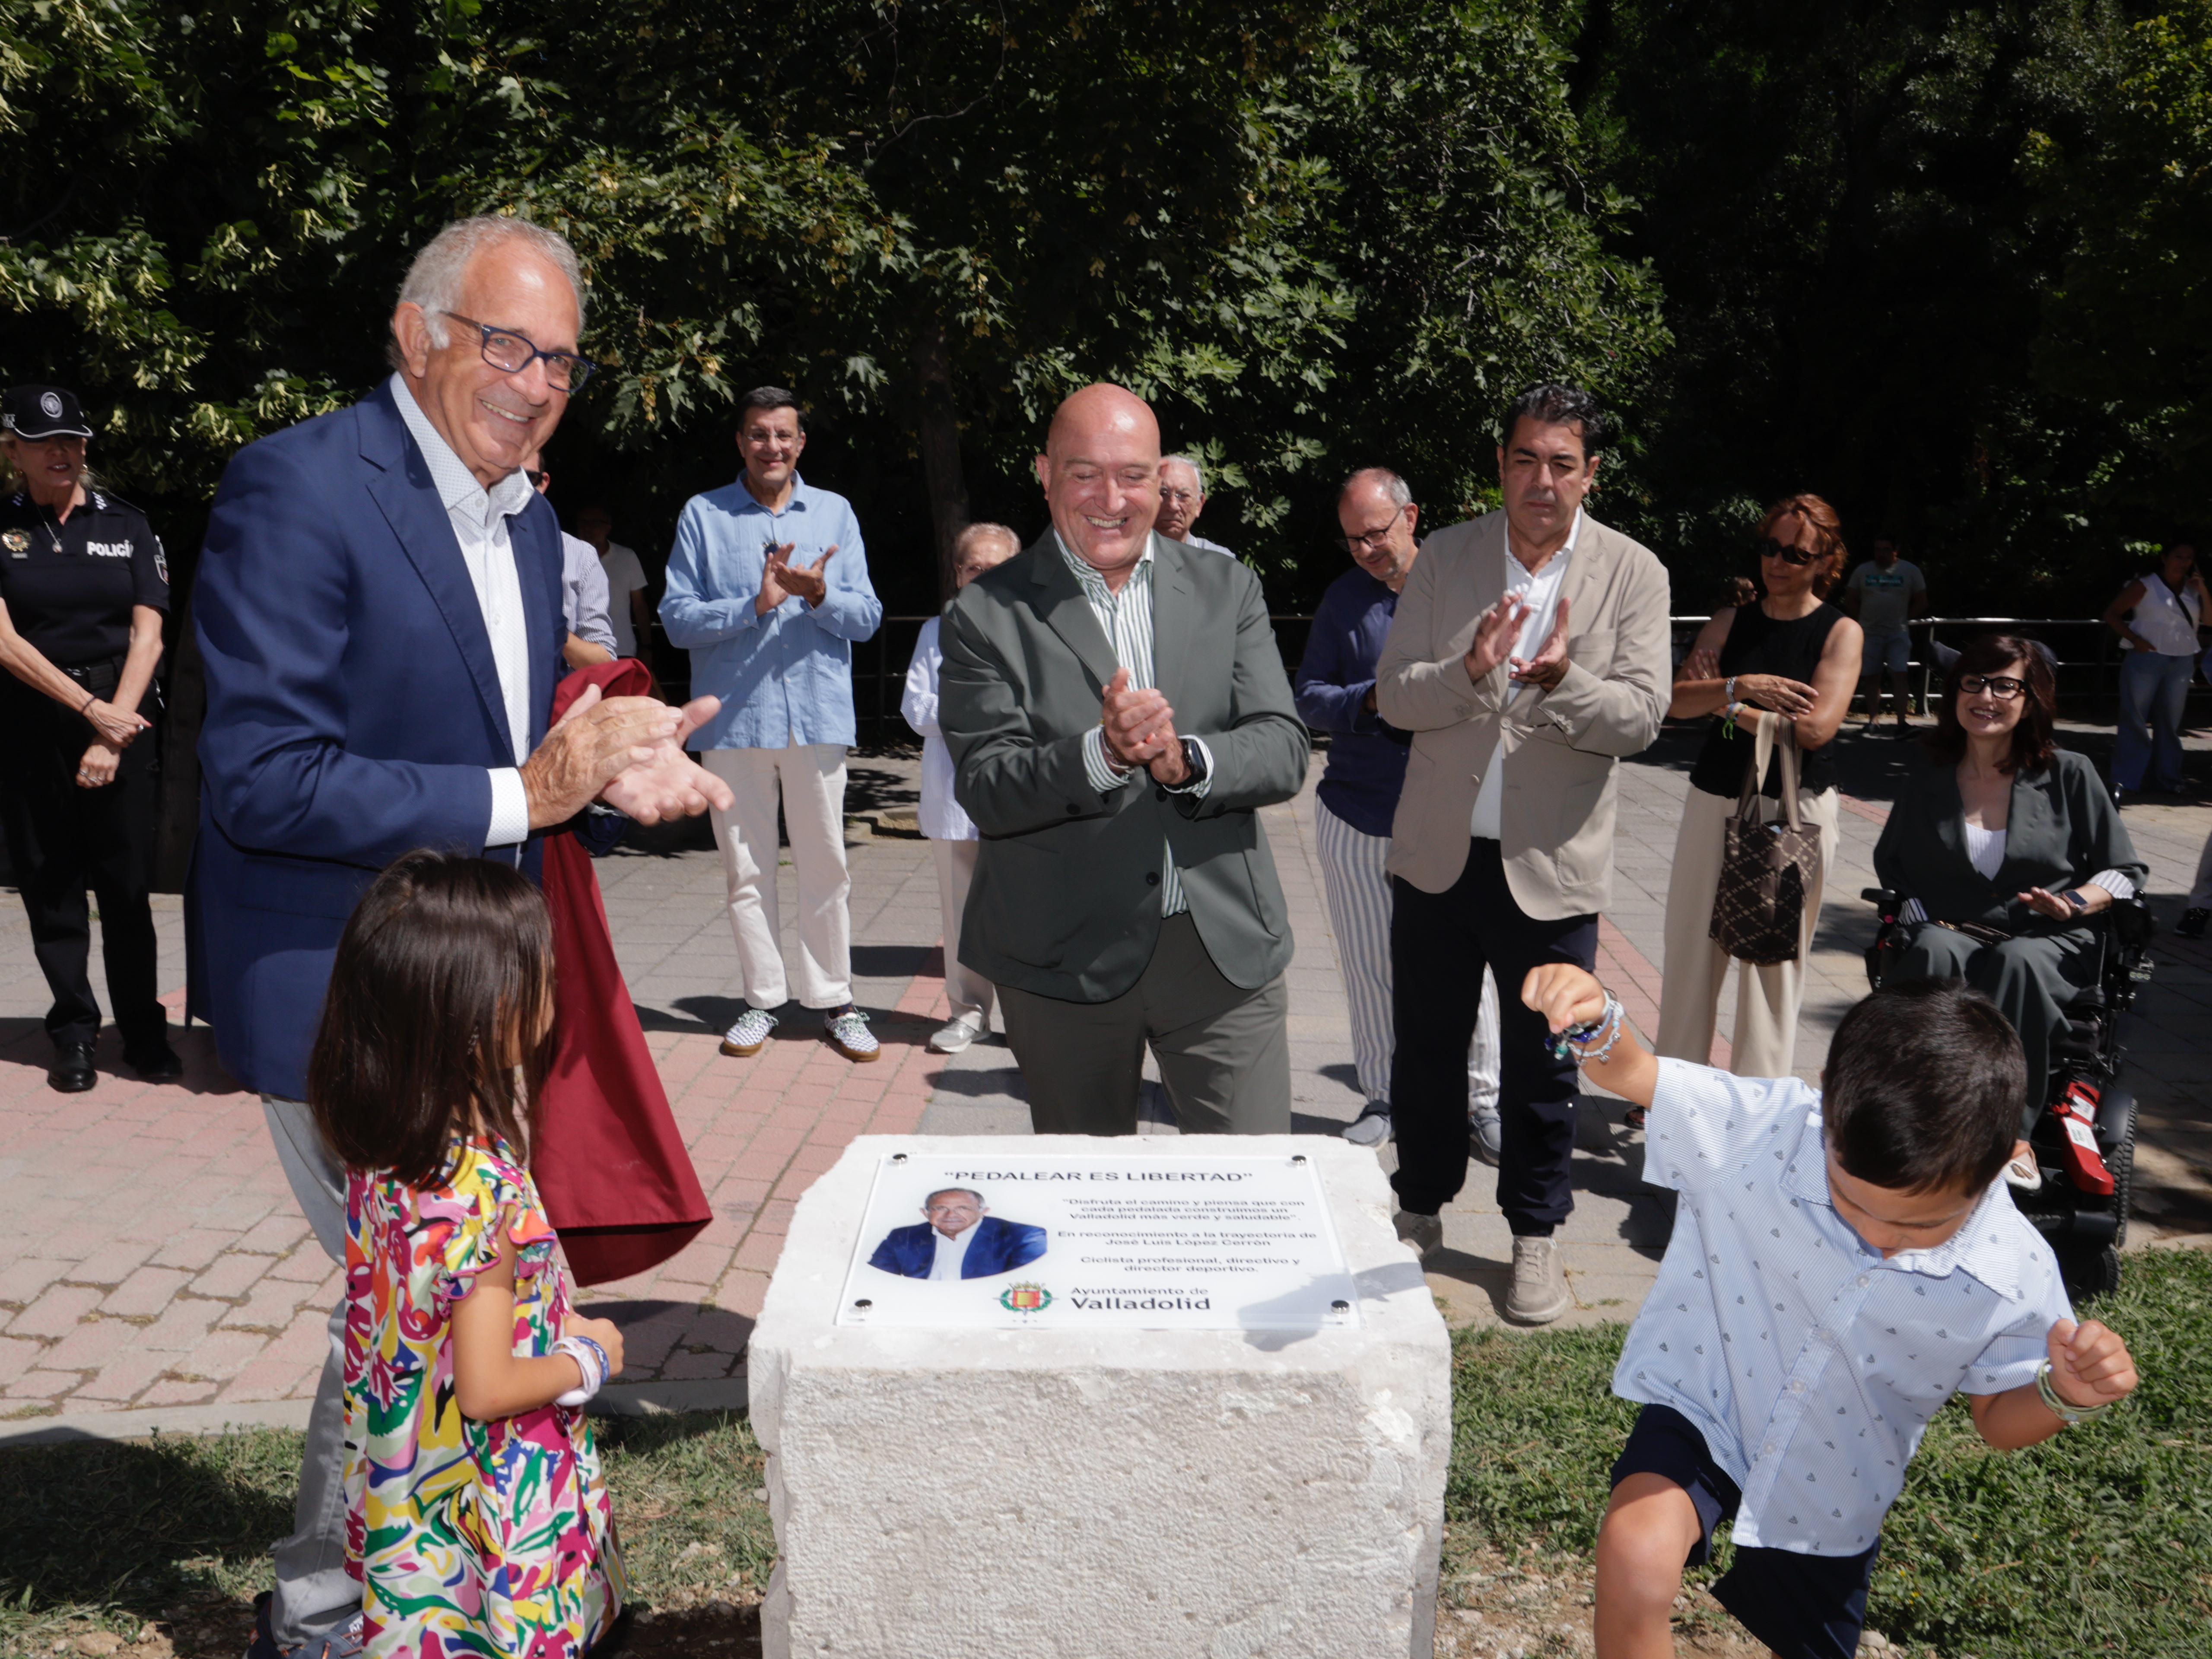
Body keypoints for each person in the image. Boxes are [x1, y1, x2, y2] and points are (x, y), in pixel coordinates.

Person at [194, 214, 728, 1659]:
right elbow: (262, 775)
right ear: (416, 333)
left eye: (561, 359)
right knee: (422, 1307)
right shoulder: (299, 487)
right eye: (507, 344)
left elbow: (497, 742)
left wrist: (610, 780)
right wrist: (527, 792)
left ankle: (416, 1587)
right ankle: (339, 1610)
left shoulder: (530, 517)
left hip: (470, 993)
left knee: (418, 1304)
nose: (536, 381)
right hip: (343, 994)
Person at [1519, 965, 2141, 1659]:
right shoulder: (1770, 1128)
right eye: (1851, 1200)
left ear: (2003, 1161)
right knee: (1635, 1553)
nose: (1878, 1236)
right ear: (1829, 1110)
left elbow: (1997, 1418)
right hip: (1710, 1402)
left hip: (1836, 1477)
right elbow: (1636, 1071)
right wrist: (1595, 1017)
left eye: (1921, 1225)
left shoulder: (2012, 1269)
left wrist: (2065, 1394)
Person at [938, 383, 1309, 1135]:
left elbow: (1283, 745)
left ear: (1160, 479)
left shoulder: (1227, 587)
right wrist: (1102, 755)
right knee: (1085, 1194)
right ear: (1045, 474)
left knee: (1253, 1186)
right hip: (1060, 958)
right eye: (1085, 474)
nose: (1112, 500)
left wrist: (1187, 761)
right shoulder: (984, 612)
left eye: (1133, 476)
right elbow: (986, 787)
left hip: (1220, 951)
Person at [1373, 383, 1669, 1324]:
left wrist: (1565, 679)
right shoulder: (1446, 555)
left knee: (1546, 1068)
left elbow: (1641, 717)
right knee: (1426, 1051)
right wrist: (1470, 671)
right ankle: (1419, 1207)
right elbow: (1394, 696)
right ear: (1501, 466)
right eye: (1525, 459)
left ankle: (1534, 1235)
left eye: (1562, 463)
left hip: (1552, 869)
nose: (1542, 480)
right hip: (1439, 857)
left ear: (1591, 473)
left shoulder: (1634, 572)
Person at [310, 852, 626, 1657]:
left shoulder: (384, 1147)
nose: (555, 990)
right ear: (482, 1012)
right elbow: (487, 1390)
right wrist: (589, 1355)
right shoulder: (481, 1188)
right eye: (541, 974)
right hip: (487, 1504)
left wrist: (546, 1318)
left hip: (411, 1482)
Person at [660, 386, 885, 1063]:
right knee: (746, 870)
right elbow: (676, 619)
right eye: (758, 434)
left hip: (817, 717)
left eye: (783, 434)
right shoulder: (703, 515)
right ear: (741, 442)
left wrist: (820, 594)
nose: (772, 446)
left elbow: (868, 617)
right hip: (734, 721)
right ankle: (762, 1000)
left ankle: (835, 1000)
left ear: (801, 443)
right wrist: (752, 605)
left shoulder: (835, 512)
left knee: (827, 866)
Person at [1872, 634, 2145, 1168]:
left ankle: (2007, 1135)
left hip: (2050, 936)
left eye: (2004, 686)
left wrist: (2074, 903)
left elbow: (2124, 872)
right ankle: (1911, 1112)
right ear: (1954, 693)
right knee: (1929, 951)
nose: (1985, 697)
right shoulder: (1927, 777)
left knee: (2016, 961)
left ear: (2030, 699)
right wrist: (1918, 916)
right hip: (1955, 928)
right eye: (1972, 683)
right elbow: (1894, 868)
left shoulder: (2068, 773)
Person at [1294, 466, 1502, 1154]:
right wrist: (1371, 701)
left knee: (1468, 967)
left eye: (1376, 534)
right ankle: (1385, 1096)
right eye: (1352, 540)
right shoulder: (1344, 600)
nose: (1365, 550)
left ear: (1411, 518)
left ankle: (1482, 1103)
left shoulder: (1467, 589)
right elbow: (1309, 696)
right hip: (1359, 814)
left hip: (1453, 812)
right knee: (1370, 965)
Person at [0, 383, 180, 1091]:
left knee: (128, 886)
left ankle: (143, 1031)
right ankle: (73, 1032)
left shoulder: (128, 524)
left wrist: (113, 729)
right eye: (43, 442)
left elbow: (149, 633)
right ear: (13, 451)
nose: (62, 452)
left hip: (122, 721)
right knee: (52, 884)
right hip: (32, 723)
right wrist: (86, 708)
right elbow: (4, 640)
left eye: (72, 440)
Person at [1656, 495, 1862, 1084]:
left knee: (1772, 964)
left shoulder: (1839, 632)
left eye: (1796, 553)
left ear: (1825, 561)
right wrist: (1742, 687)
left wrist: (1724, 702)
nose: (1778, 562)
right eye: (1771, 547)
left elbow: (1815, 730)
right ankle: (1675, 1091)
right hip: (1714, 794)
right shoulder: (1731, 620)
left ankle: (1758, 1103)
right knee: (1690, 951)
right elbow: (1674, 701)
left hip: (1793, 807)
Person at [902, 521, 1022, 1054]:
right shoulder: (936, 631)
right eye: (974, 567)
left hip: (1019, 795)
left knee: (1022, 911)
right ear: (957, 574)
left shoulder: (1036, 629)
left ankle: (1027, 1018)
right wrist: (983, 709)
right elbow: (915, 709)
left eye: (997, 568)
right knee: (960, 913)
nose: (984, 576)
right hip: (954, 796)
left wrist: (961, 709)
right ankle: (968, 1012)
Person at [2101, 537, 2205, 802]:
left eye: (2189, 558)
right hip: (2147, 658)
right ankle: (2126, 780)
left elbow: (2210, 620)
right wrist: (2135, 640)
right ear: (2165, 558)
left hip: (2182, 660)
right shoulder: (2145, 584)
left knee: (2170, 723)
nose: (2184, 562)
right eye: (2179, 556)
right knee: (2135, 718)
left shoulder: (2193, 589)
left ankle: (2168, 780)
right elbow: (2112, 613)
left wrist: (2203, 589)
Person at [524, 451, 615, 667]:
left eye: (527, 478)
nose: (514, 486)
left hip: (557, 689)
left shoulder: (580, 556)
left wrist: (550, 628)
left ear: (543, 483)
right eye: (505, 475)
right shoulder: (462, 545)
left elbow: (603, 663)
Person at [1839, 533, 1925, 733]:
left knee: (1900, 675)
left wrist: (1905, 619)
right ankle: (1873, 721)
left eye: (1886, 550)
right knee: (1871, 676)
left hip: (1898, 633)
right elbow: (1850, 598)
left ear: (1896, 551)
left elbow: (1922, 601)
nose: (1881, 554)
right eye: (1878, 550)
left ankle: (1902, 723)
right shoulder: (1863, 571)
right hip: (1870, 633)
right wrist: (1862, 621)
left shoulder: (1910, 571)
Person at [868, 1187, 1048, 1280]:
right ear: (925, 1213)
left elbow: (1024, 1282)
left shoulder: (1023, 1236)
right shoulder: (902, 1237)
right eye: (940, 1208)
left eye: (963, 1208)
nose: (951, 1215)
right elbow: (876, 1277)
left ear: (984, 1212)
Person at [577, 503, 652, 662]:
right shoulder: (567, 557)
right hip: (580, 651)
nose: (588, 528)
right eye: (584, 522)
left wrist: (647, 647)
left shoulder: (627, 557)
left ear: (608, 528)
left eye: (595, 523)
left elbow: (639, 606)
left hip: (622, 648)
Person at [1154, 453, 1233, 556]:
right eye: (1163, 494)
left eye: (1183, 496)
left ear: (1199, 505)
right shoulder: (1133, 557)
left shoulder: (1221, 561)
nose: (1173, 505)